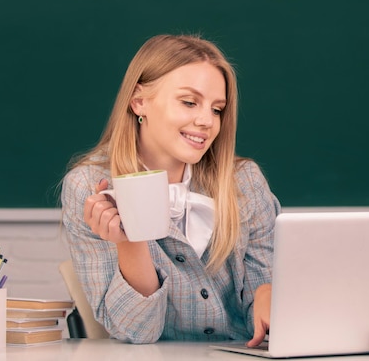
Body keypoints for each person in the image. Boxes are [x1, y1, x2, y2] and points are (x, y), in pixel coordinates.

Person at [61, 34, 281, 345]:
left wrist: (268, 294)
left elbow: (263, 307)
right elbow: (136, 332)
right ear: (139, 101)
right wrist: (129, 242)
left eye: (217, 109)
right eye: (189, 102)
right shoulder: (89, 188)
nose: (207, 121)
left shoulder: (243, 182)